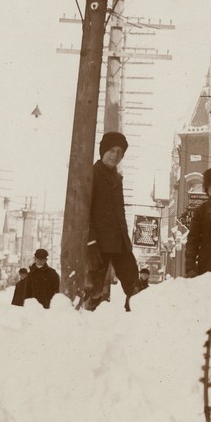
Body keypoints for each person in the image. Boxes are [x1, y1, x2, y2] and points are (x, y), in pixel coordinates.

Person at [86, 131, 140, 311]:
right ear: (102, 151)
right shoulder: (91, 174)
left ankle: (135, 321)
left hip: (119, 242)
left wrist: (126, 241)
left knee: (135, 288)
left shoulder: (117, 178)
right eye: (111, 150)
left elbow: (120, 211)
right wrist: (91, 241)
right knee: (91, 293)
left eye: (119, 152)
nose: (115, 155)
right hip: (98, 244)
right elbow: (85, 211)